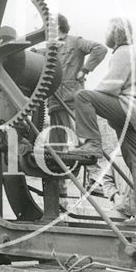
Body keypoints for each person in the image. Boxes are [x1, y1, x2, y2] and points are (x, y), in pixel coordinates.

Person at [69, 17, 136, 228]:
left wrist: (89, 97)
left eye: (108, 31)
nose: (106, 35)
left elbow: (111, 85)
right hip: (135, 114)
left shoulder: (123, 53)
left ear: (116, 34)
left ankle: (91, 143)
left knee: (83, 97)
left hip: (127, 109)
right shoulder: (130, 53)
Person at [48, 14, 107, 195]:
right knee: (56, 146)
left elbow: (100, 48)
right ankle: (60, 187)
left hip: (72, 100)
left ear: (58, 26)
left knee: (82, 138)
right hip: (54, 101)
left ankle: (95, 179)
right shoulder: (49, 48)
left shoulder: (75, 42)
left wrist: (84, 70)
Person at [102, 148, 136, 218]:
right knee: (117, 228)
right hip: (120, 208)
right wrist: (114, 196)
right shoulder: (115, 156)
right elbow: (106, 179)